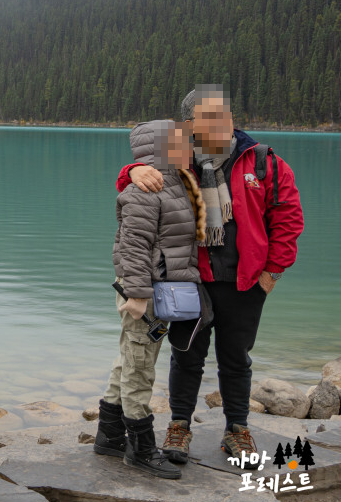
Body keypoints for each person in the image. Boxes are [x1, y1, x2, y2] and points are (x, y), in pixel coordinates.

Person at [116, 84, 304, 463]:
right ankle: (179, 427)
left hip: (246, 281)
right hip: (190, 279)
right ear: (189, 125)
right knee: (186, 356)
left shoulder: (263, 161)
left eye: (226, 115)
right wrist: (133, 170)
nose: (222, 123)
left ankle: (237, 430)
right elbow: (132, 188)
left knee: (236, 359)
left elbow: (288, 219)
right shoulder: (177, 159)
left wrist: (272, 273)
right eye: (210, 117)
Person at [95, 119, 205, 479]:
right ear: (160, 147)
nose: (187, 147)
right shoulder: (144, 190)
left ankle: (109, 435)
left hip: (157, 290)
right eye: (179, 141)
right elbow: (133, 247)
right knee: (140, 365)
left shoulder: (175, 181)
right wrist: (139, 296)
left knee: (129, 357)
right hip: (145, 293)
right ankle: (140, 448)